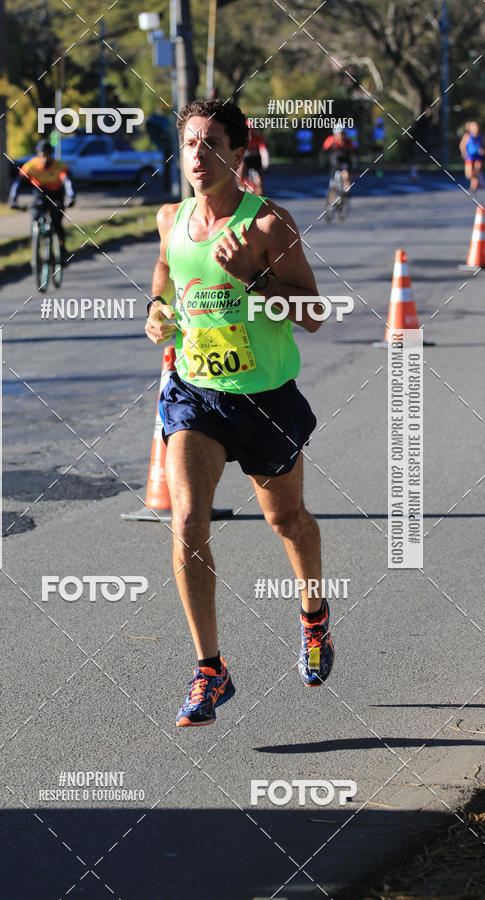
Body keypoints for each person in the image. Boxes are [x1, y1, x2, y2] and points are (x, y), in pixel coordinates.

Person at [145, 97, 334, 727]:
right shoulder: (171, 217)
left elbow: (313, 313)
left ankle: (314, 617)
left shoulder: (268, 225)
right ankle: (210, 669)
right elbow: (166, 271)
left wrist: (254, 278)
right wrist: (156, 311)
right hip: (195, 393)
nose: (197, 155)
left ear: (238, 152)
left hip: (264, 399)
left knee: (287, 521)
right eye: (189, 143)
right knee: (187, 522)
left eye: (211, 143)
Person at [9, 139, 75, 262]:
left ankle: (62, 249)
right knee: (34, 214)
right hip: (40, 193)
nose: (44, 159)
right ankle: (36, 247)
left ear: (51, 155)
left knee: (56, 221)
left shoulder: (59, 166)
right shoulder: (31, 165)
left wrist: (71, 197)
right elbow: (18, 182)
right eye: (41, 156)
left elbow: (68, 182)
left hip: (56, 194)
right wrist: (13, 199)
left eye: (46, 155)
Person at [322, 127, 356, 203]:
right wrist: (323, 163)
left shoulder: (348, 141)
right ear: (335, 134)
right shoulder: (330, 139)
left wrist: (355, 165)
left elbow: (354, 153)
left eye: (342, 134)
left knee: (346, 174)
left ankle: (345, 191)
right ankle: (331, 200)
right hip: (335, 162)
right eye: (339, 134)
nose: (341, 136)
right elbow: (323, 151)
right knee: (332, 184)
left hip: (345, 161)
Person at [459, 121, 485, 193]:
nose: (475, 129)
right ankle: (475, 181)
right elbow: (462, 145)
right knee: (469, 175)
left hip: (478, 156)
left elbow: (484, 146)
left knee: (476, 171)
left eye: (476, 127)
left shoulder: (481, 137)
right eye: (473, 127)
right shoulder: (467, 136)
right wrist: (463, 152)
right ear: (470, 128)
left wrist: (483, 150)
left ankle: (473, 188)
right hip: (469, 156)